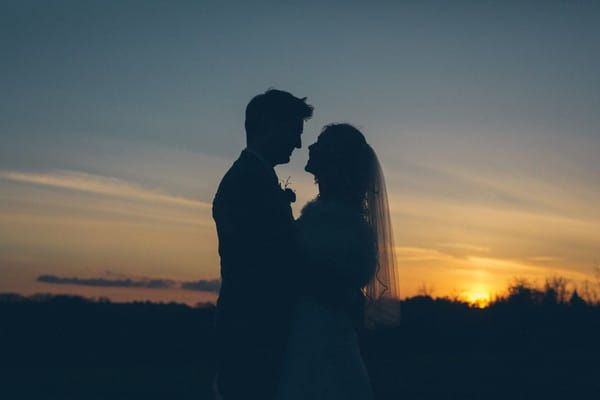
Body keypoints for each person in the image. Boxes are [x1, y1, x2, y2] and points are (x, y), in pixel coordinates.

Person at [276, 123, 400, 400]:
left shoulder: (341, 222)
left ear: (335, 158)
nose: (310, 147)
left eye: (320, 143)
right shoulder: (330, 215)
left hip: (317, 336)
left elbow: (329, 281)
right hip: (304, 332)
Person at [212, 89, 313, 400]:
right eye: (294, 132)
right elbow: (265, 264)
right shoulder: (246, 181)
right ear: (268, 124)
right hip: (252, 331)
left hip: (257, 330)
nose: (298, 144)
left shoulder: (257, 176)